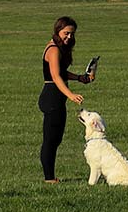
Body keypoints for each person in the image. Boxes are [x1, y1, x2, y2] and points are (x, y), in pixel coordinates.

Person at [38, 16, 94, 183]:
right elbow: (55, 76)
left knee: (56, 138)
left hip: (57, 97)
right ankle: (49, 178)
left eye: (72, 34)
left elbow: (62, 72)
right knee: (50, 139)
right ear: (57, 31)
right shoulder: (53, 49)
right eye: (66, 33)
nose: (69, 37)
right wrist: (71, 95)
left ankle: (50, 176)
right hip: (51, 97)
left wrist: (80, 78)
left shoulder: (60, 48)